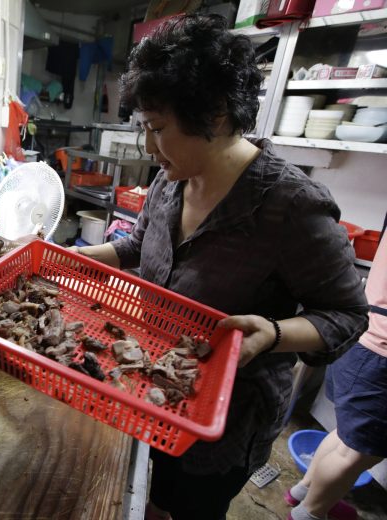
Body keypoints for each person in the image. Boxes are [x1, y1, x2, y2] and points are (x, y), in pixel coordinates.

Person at [72, 14, 369, 520]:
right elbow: (139, 245)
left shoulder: (291, 206)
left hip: (226, 420)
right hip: (152, 380)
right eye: (145, 128)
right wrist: (75, 259)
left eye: (158, 128)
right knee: (143, 494)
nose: (149, 147)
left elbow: (347, 314)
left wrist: (272, 334)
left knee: (190, 506)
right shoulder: (170, 180)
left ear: (215, 115)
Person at [287, 234, 387, 520]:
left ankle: (304, 493)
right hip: (380, 352)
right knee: (358, 453)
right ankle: (310, 512)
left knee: (347, 437)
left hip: (364, 334)